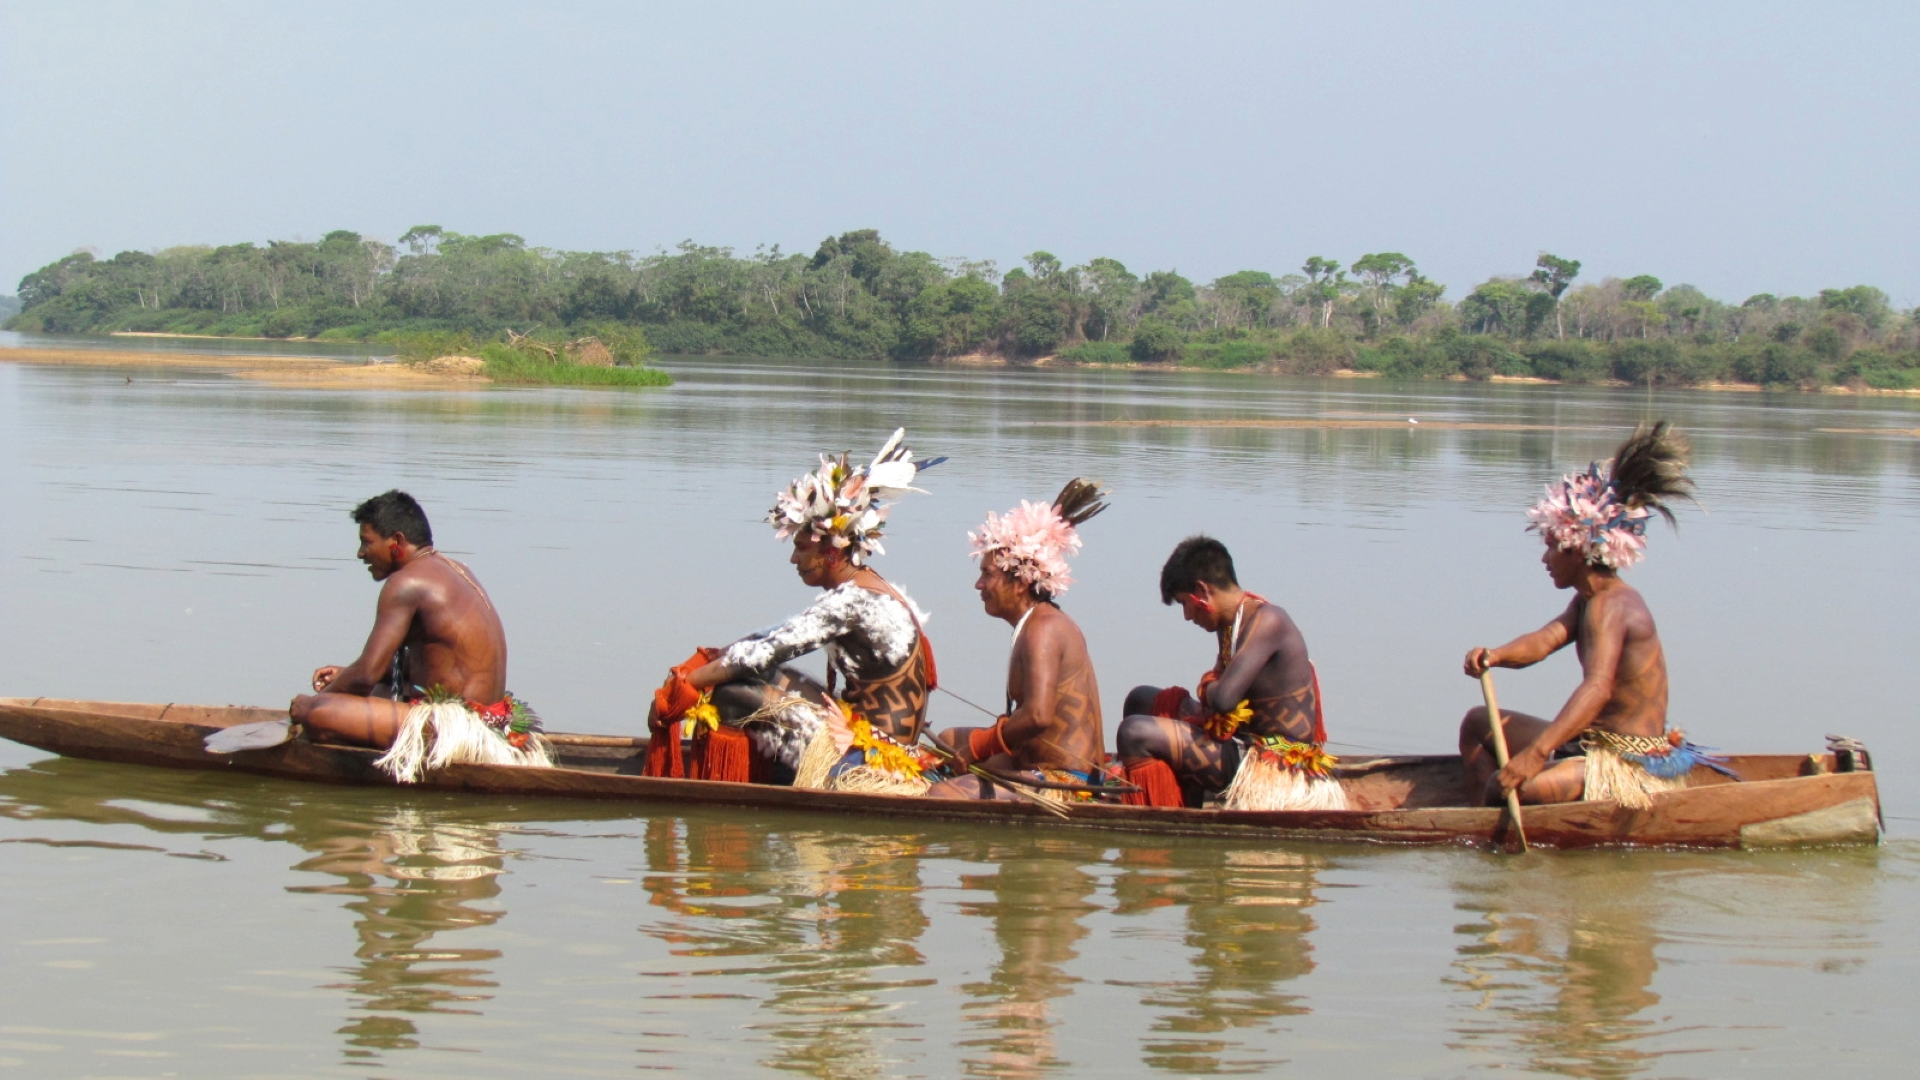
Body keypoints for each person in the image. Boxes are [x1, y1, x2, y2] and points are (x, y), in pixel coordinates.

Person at [646, 429, 942, 792]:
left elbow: (759, 654)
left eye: (802, 548)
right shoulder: (865, 587)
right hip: (864, 732)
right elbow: (772, 639)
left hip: (874, 759)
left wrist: (681, 687)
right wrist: (714, 659)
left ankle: (738, 802)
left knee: (731, 693)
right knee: (766, 674)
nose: (793, 559)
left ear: (831, 552)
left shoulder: (853, 602)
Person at [1459, 421, 1726, 809]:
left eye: (1552, 547)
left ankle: (1493, 812)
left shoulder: (1611, 606)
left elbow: (1597, 688)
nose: (1544, 559)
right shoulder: (1588, 599)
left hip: (1625, 760)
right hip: (1590, 743)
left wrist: (1536, 754)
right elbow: (1545, 640)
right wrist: (1495, 656)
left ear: (1578, 550)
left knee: (1511, 789)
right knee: (1477, 723)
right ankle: (1475, 816)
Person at [290, 490, 548, 782]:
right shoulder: (455, 569)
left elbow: (365, 675)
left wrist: (308, 706)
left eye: (367, 542)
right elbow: (437, 663)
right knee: (380, 691)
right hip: (491, 720)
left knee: (321, 713)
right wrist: (344, 674)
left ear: (397, 542)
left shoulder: (407, 582)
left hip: (459, 728)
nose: (360, 554)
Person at [1113, 536, 1346, 811]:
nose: (1187, 616)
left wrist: (1207, 684)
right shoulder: (1231, 622)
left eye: (1185, 603)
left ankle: (1171, 820)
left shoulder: (1268, 621)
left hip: (1273, 764)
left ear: (1202, 591)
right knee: (1141, 699)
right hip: (1242, 744)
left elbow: (1224, 699)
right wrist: (1211, 690)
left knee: (1134, 733)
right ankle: (1181, 796)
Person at [928, 479, 1110, 802]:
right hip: (1032, 760)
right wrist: (979, 748)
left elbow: (1038, 715)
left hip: (1065, 779)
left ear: (1021, 581)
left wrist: (979, 747)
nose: (978, 585)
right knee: (946, 740)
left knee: (940, 796)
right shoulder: (1034, 622)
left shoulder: (1044, 628)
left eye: (988, 575)